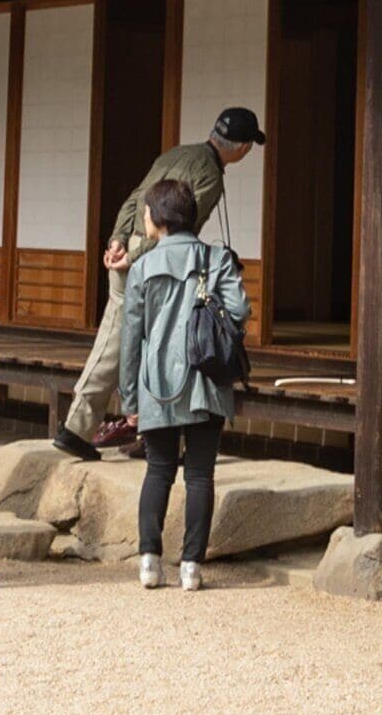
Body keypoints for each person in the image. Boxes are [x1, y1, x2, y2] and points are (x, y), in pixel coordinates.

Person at [61, 106, 265, 459]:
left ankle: (148, 433)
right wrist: (133, 255)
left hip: (134, 253)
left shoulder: (176, 153)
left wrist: (117, 240)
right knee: (124, 344)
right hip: (158, 264)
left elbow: (135, 198)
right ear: (244, 148)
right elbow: (177, 230)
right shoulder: (210, 177)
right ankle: (76, 429)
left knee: (136, 344)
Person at [114, 176, 250, 593]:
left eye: (146, 213)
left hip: (157, 382)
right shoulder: (215, 258)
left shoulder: (142, 266)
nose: (145, 219)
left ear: (158, 218)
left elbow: (130, 337)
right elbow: (240, 310)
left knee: (158, 470)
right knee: (200, 475)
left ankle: (149, 562)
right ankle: (191, 566)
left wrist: (129, 398)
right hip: (206, 380)